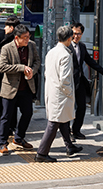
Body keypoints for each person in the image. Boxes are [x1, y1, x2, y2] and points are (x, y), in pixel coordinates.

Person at [34, 26, 83, 162]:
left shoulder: (51, 52)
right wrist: (70, 92)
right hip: (61, 94)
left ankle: (69, 146)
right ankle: (42, 153)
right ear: (69, 39)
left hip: (52, 90)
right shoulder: (65, 55)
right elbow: (65, 79)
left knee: (63, 120)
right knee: (54, 123)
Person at [0, 24, 40, 154]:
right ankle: (2, 142)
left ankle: (19, 138)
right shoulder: (6, 48)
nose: (27, 39)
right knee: (6, 116)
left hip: (26, 87)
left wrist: (33, 70)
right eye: (25, 37)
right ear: (17, 38)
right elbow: (2, 67)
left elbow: (37, 61)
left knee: (27, 113)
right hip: (10, 87)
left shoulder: (31, 46)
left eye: (28, 36)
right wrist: (21, 68)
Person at [69, 22, 103, 140]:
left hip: (80, 82)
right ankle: (67, 133)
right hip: (68, 82)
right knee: (68, 108)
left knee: (82, 107)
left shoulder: (82, 46)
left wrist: (102, 71)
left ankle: (76, 130)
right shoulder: (66, 46)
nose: (76, 36)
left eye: (78, 34)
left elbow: (90, 61)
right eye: (74, 33)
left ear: (82, 34)